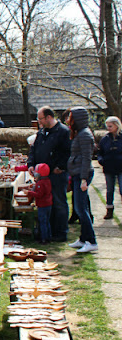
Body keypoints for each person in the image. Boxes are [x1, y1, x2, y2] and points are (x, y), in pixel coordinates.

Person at [27, 106, 71, 242]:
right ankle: (48, 231)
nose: (39, 122)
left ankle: (61, 232)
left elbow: (68, 152)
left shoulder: (63, 132)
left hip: (56, 174)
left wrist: (61, 167)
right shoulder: (41, 132)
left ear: (49, 117)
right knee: (46, 204)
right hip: (43, 175)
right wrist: (31, 164)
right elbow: (34, 150)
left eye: (40, 119)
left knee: (59, 202)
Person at [66, 107, 98, 253]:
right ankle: (83, 239)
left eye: (70, 117)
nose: (68, 120)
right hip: (77, 173)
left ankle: (91, 241)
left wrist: (84, 179)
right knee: (80, 207)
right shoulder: (79, 134)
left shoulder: (85, 135)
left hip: (82, 174)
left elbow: (86, 158)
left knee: (81, 209)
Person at [26, 163, 53, 244]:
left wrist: (29, 192)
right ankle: (48, 237)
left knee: (42, 222)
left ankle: (43, 239)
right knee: (47, 222)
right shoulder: (47, 181)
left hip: (42, 205)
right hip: (48, 204)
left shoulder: (40, 183)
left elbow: (39, 195)